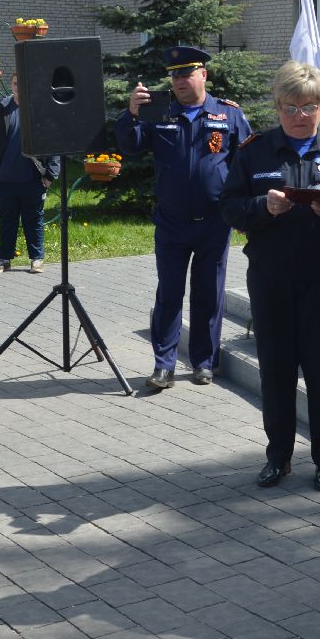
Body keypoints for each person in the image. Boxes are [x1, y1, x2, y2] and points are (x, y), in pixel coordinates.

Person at [221, 61, 320, 492]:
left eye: (309, 107)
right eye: (291, 107)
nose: (300, 116)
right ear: (278, 106)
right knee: (276, 370)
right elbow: (229, 205)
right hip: (271, 278)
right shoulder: (255, 151)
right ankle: (278, 457)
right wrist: (262, 208)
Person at [116, 45, 251, 390]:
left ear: (203, 75)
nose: (178, 81)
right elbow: (130, 145)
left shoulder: (228, 114)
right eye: (174, 75)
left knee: (208, 293)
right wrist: (131, 113)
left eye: (186, 73)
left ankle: (205, 362)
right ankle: (164, 364)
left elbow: (247, 164)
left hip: (214, 222)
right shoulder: (158, 112)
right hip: (171, 222)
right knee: (169, 293)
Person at [0, 72, 60, 274]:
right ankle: (4, 259)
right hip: (4, 178)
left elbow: (53, 143)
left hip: (33, 178)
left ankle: (36, 259)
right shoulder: (0, 110)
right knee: (7, 220)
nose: (17, 88)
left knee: (34, 219)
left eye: (22, 84)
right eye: (14, 84)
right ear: (11, 85)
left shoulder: (40, 110)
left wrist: (50, 175)